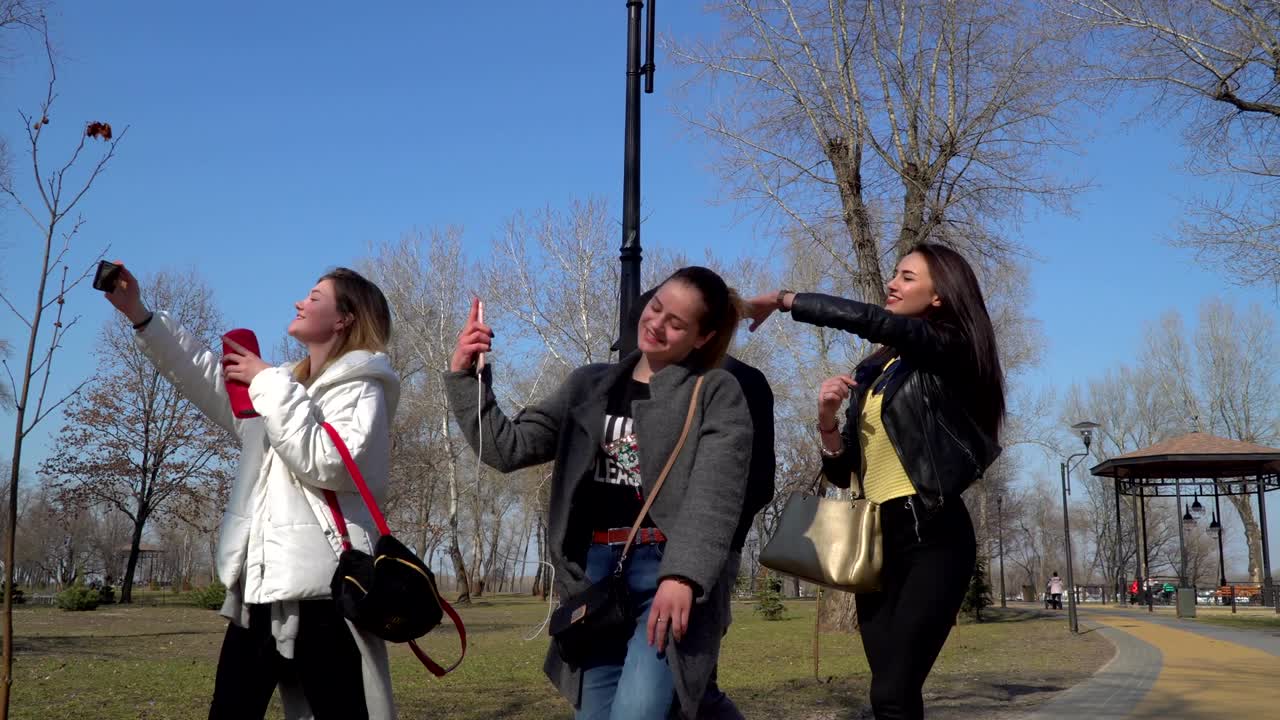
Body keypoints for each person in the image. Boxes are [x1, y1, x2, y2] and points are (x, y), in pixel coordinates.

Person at [445, 266, 753, 720]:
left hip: (665, 577)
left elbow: (716, 494)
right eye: (656, 308)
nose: (656, 324)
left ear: (702, 337)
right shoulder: (589, 384)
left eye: (676, 323)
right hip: (595, 580)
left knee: (638, 711)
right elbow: (507, 448)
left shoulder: (714, 392)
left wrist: (683, 577)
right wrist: (464, 377)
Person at [104, 264, 398, 720]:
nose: (300, 302)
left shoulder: (361, 387)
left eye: (315, 297)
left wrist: (266, 380)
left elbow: (329, 461)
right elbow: (207, 378)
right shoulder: (283, 386)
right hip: (258, 593)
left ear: (345, 318)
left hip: (324, 598)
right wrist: (140, 315)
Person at [746, 243, 1004, 720]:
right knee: (890, 692)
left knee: (892, 689)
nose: (892, 283)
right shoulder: (877, 370)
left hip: (933, 536)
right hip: (876, 539)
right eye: (894, 274)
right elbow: (841, 471)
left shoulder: (951, 347)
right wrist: (827, 420)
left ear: (939, 295)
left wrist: (786, 300)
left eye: (907, 277)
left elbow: (875, 322)